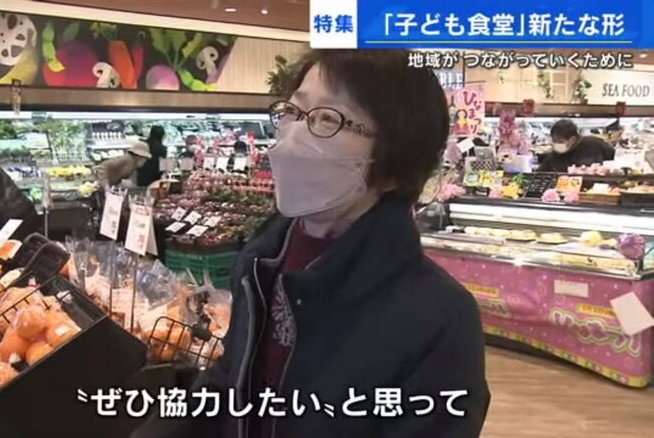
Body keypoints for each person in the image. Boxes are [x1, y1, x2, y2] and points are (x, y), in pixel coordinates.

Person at [135, 49, 489, 438]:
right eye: (294, 111)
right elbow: (231, 378)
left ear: (395, 164)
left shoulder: (439, 318)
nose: (294, 137)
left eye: (328, 119)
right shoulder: (261, 262)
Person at [538, 119, 615, 172]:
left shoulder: (595, 144)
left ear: (573, 139)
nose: (557, 144)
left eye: (560, 141)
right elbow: (540, 174)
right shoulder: (554, 155)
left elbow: (616, 161)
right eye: (554, 141)